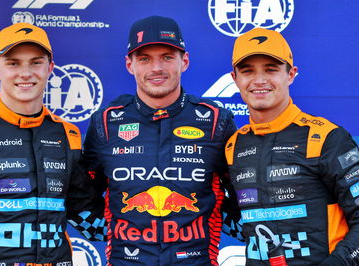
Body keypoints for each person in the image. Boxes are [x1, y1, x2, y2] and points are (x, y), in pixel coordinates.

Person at [82, 15, 242, 265]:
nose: (156, 68)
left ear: (184, 61)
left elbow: (243, 191)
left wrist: (220, 228)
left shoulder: (215, 121)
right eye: (144, 59)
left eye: (167, 57)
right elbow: (80, 195)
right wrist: (125, 237)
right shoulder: (105, 122)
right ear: (129, 64)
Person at [0, 22, 104, 265]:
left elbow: (87, 219)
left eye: (36, 62)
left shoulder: (67, 134)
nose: (25, 73)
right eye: (13, 63)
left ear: (50, 68)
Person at [226, 27, 359, 265]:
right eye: (247, 71)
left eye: (271, 70)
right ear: (235, 78)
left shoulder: (326, 138)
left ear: (291, 74)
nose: (259, 80)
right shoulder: (233, 146)